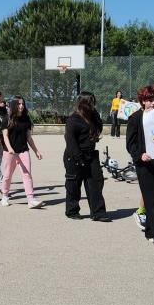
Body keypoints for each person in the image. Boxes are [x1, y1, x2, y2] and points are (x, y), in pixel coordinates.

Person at [126, 84, 154, 248]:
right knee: (152, 200)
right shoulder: (135, 118)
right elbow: (130, 144)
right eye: (149, 100)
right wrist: (140, 155)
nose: (153, 103)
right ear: (143, 101)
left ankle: (150, 231)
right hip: (144, 165)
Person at [63, 91, 110, 222]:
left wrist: (95, 117)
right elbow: (70, 141)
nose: (93, 104)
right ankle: (72, 210)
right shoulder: (73, 119)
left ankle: (98, 212)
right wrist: (79, 159)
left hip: (91, 155)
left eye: (93, 102)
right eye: (90, 102)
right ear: (83, 104)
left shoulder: (93, 116)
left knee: (96, 182)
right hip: (74, 156)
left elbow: (99, 127)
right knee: (73, 184)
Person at [0, 95, 43, 208]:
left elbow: (29, 137)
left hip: (23, 150)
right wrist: (9, 148)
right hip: (10, 152)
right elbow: (5, 136)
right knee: (8, 175)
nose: (21, 106)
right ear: (14, 105)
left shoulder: (26, 119)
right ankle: (4, 196)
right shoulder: (7, 118)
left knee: (27, 174)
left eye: (23, 104)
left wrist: (36, 151)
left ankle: (30, 199)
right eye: (19, 104)